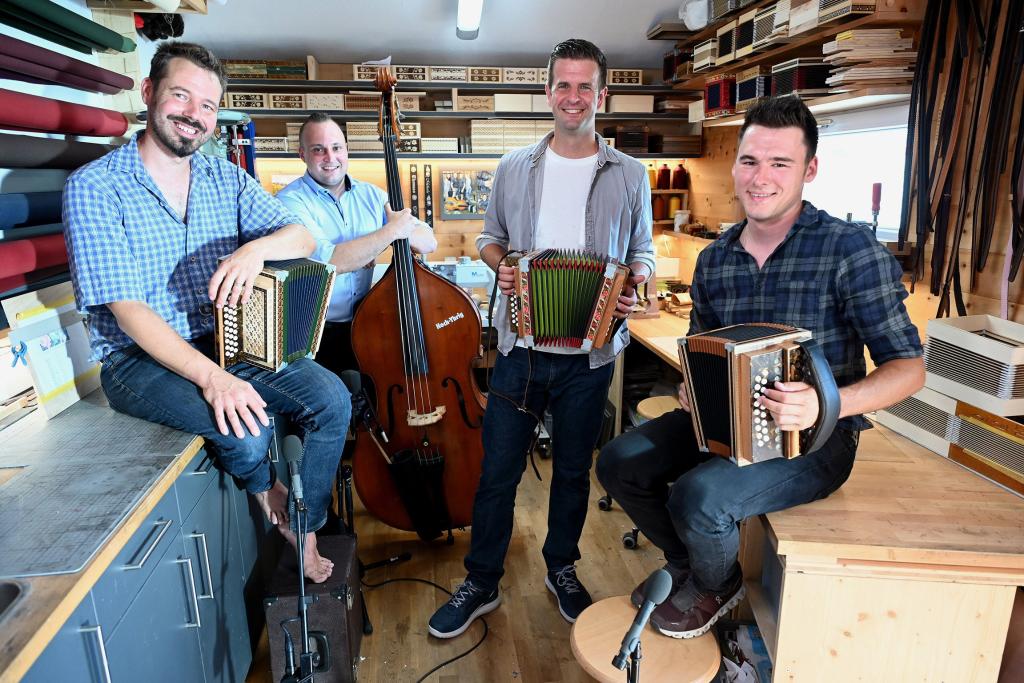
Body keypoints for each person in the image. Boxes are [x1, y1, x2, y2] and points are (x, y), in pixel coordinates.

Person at [596, 95, 925, 638]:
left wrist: (825, 403)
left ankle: (715, 584)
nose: (760, 177)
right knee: (618, 460)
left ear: (809, 170)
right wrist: (690, 388)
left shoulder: (850, 250)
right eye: (749, 161)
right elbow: (701, 348)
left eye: (780, 163)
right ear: (735, 165)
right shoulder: (715, 258)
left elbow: (909, 369)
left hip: (818, 440)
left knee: (699, 496)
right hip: (727, 426)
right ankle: (690, 564)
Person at [62, 42, 350, 583]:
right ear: (149, 92)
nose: (194, 114)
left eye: (209, 105)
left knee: (332, 398)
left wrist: (255, 250)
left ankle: (305, 522)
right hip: (137, 359)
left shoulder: (226, 179)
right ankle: (271, 497)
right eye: (181, 95)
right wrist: (216, 380)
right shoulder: (95, 187)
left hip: (225, 339)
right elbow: (128, 311)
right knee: (247, 433)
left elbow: (303, 236)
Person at [427, 38, 655, 638]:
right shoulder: (513, 167)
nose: (573, 97)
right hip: (520, 351)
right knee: (497, 473)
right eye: (563, 85)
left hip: (591, 356)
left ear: (601, 95)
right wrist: (500, 264)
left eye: (585, 86)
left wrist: (636, 283)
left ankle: (562, 569)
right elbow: (489, 237)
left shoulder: (631, 174)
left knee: (574, 471)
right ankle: (481, 580)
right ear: (547, 91)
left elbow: (643, 251)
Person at [276, 113, 436, 376]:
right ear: (302, 154)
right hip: (310, 333)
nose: (330, 157)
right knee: (329, 401)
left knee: (373, 395)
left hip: (366, 324)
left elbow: (428, 241)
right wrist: (388, 234)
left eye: (336, 147)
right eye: (318, 150)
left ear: (346, 150)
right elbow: (328, 260)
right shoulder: (289, 201)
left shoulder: (372, 195)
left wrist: (380, 242)